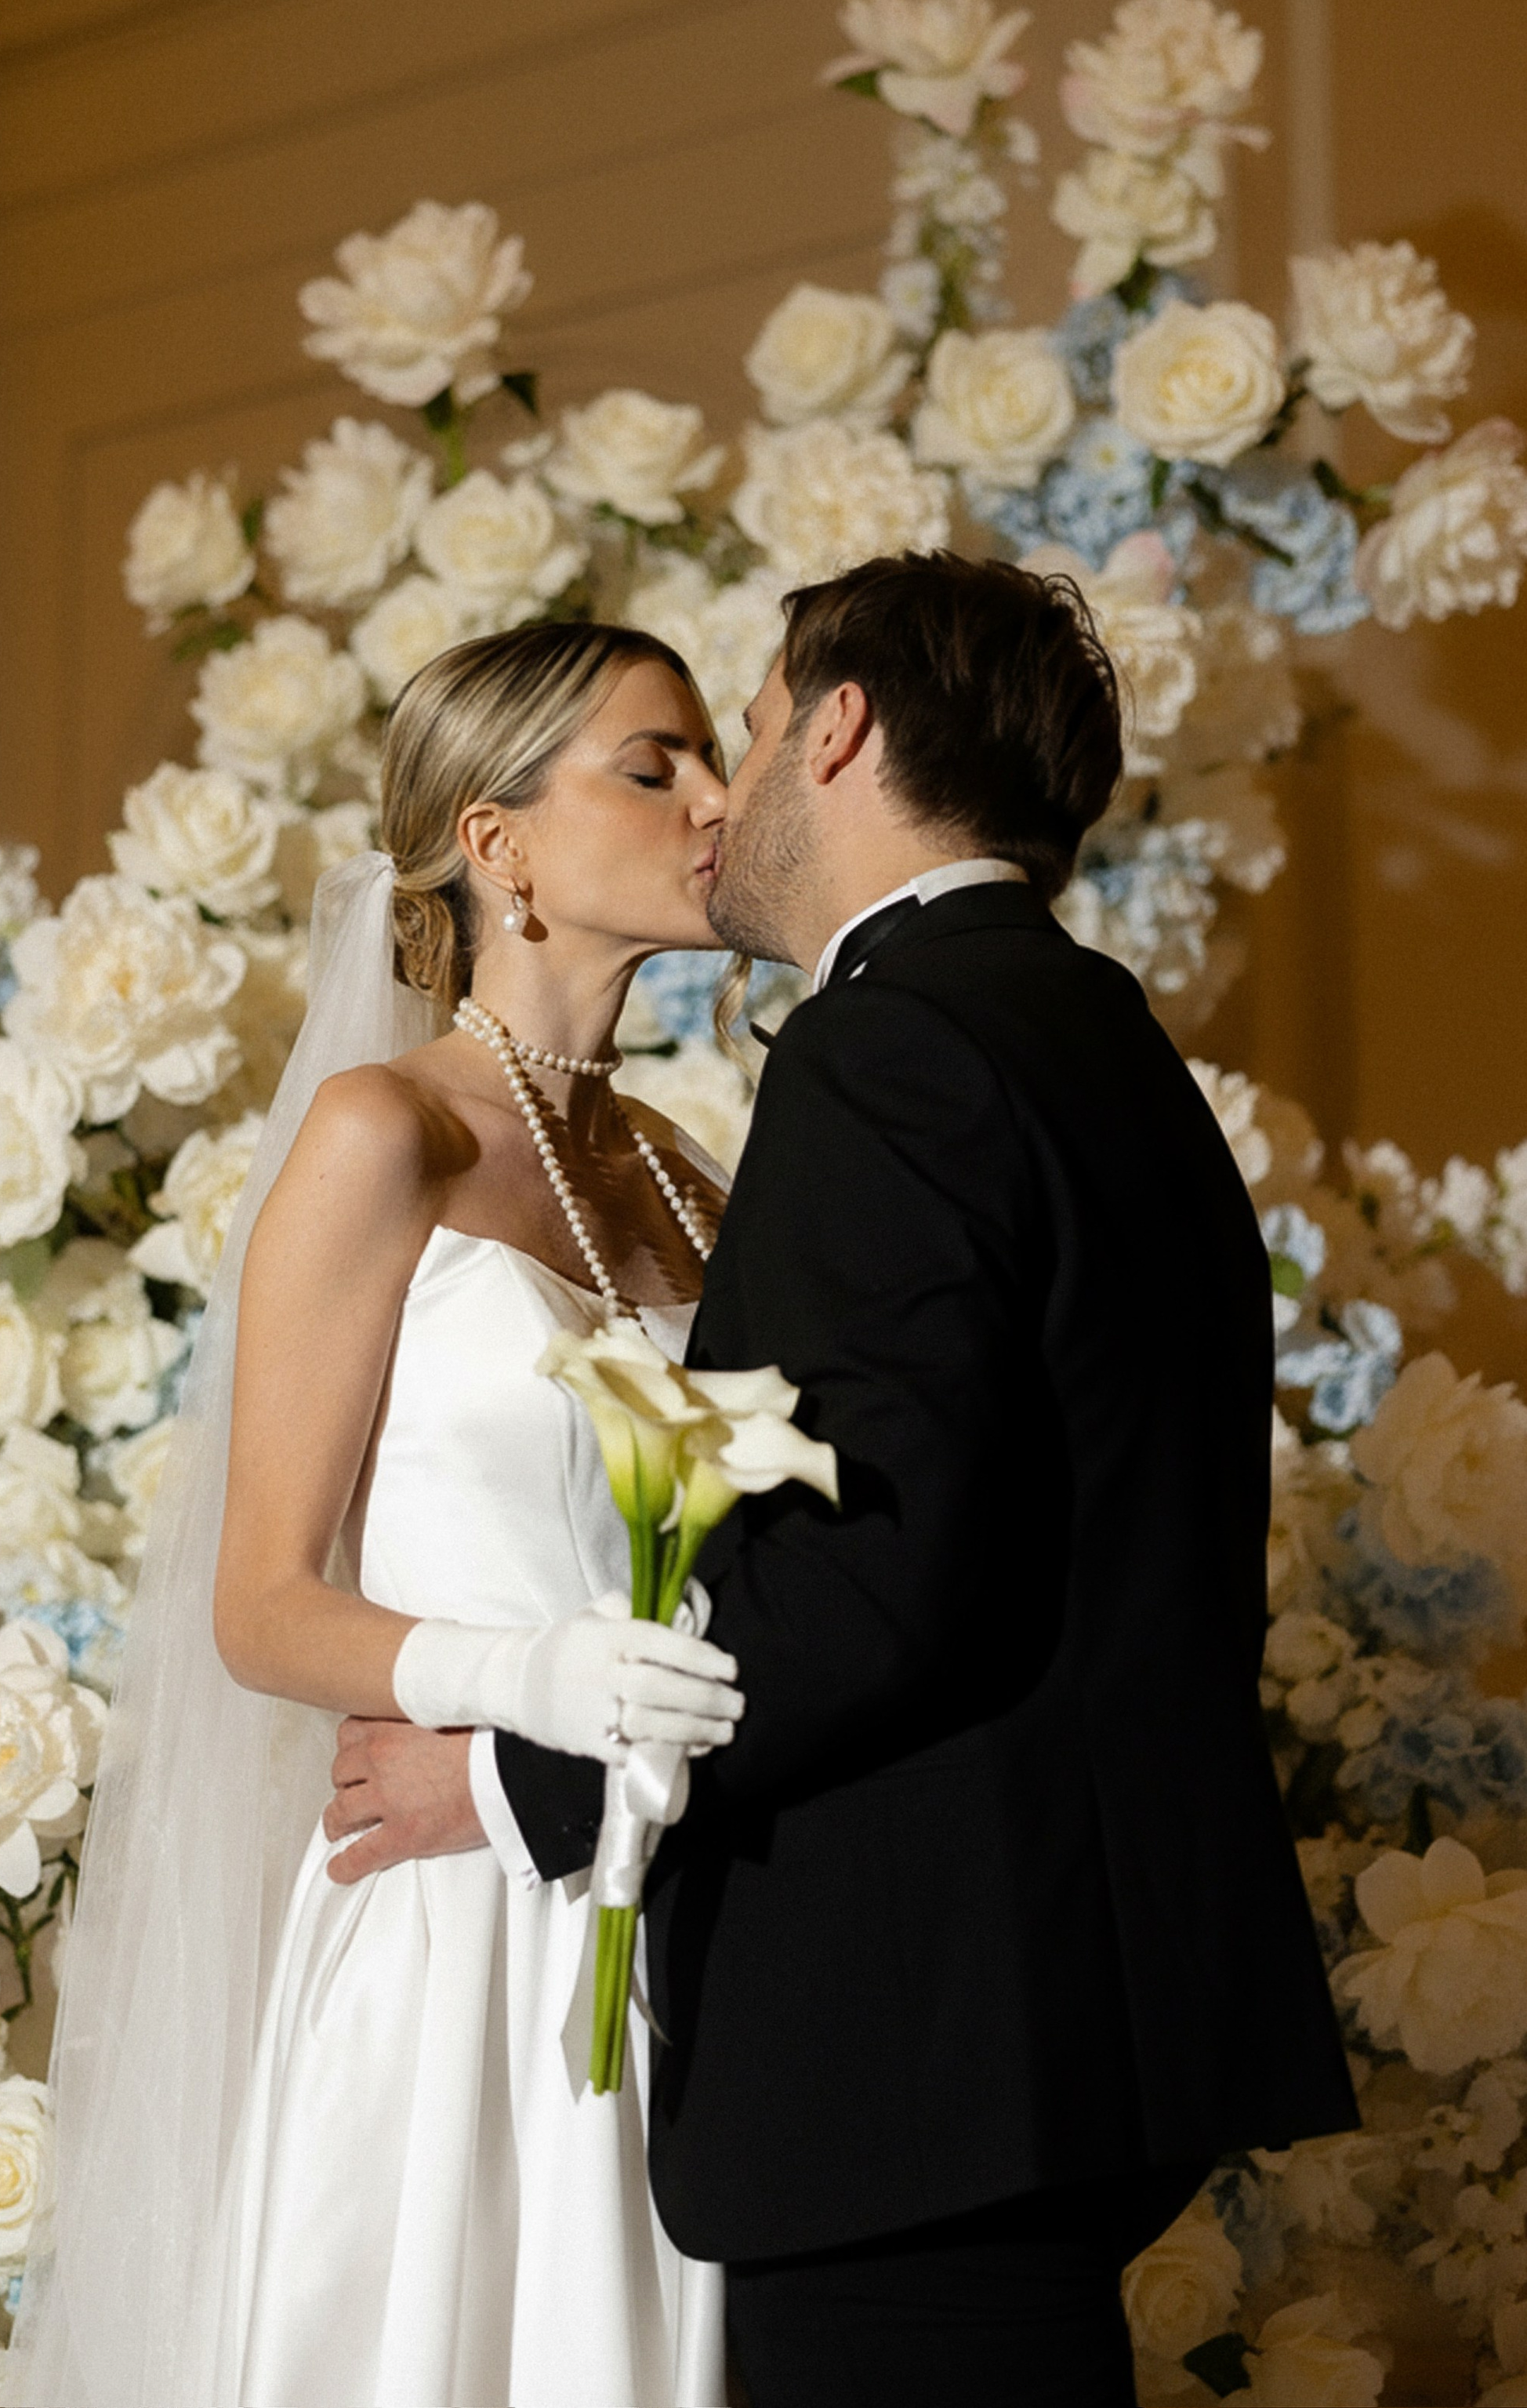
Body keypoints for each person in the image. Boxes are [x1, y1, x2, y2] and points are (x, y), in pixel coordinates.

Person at [328, 550, 1360, 2408]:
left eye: (736, 725)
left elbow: (866, 1580)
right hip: (1065, 2012)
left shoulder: (886, 1050)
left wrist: (506, 1772)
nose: (721, 789)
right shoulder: (1094, 1036)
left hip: (923, 2034)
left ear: (841, 724)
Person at [5, 621, 749, 2408]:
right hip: (458, 1936)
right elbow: (259, 1600)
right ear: (495, 846)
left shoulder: (690, 1173)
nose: (718, 802)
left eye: (710, 759)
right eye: (653, 767)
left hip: (676, 1907)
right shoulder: (378, 1132)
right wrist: (536, 1675)